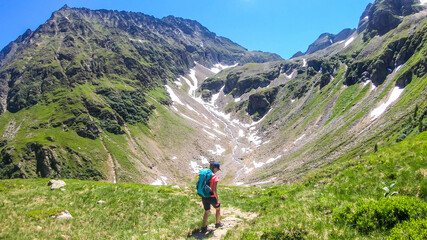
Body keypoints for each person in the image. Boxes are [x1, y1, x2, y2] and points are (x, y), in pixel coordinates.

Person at [201, 161, 224, 232]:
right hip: (212, 196)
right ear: (215, 168)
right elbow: (214, 190)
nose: (217, 170)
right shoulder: (214, 177)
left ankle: (204, 227)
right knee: (218, 208)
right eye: (217, 169)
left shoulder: (205, 175)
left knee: (207, 211)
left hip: (204, 196)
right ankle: (217, 223)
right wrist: (217, 200)